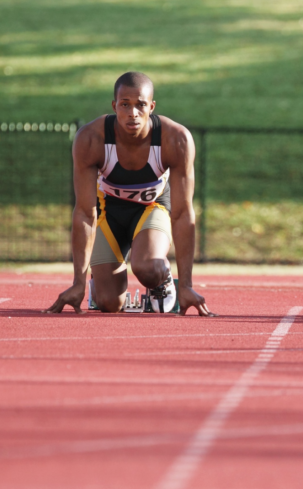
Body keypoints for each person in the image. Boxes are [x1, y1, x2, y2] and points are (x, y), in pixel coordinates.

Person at [45, 72, 213, 316]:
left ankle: (163, 281)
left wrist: (186, 284)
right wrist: (78, 283)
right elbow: (84, 211)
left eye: (140, 105)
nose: (133, 113)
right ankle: (99, 284)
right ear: (114, 106)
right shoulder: (91, 138)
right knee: (109, 304)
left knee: (147, 268)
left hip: (151, 208)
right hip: (108, 212)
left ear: (152, 107)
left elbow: (183, 213)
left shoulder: (175, 139)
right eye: (125, 105)